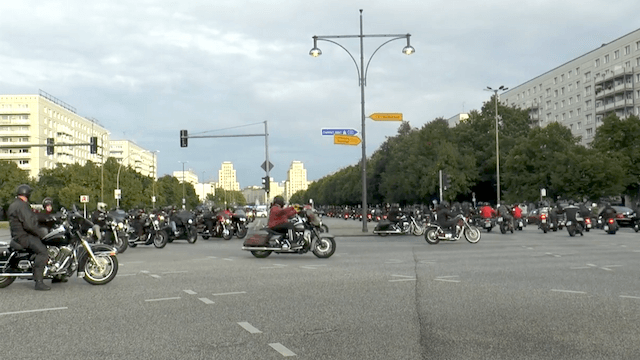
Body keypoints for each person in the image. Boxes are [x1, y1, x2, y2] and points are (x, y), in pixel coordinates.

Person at [7, 184, 51, 291]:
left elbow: (32, 217)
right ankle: (39, 282)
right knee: (43, 252)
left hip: (18, 235)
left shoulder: (16, 204)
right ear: (27, 193)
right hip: (23, 236)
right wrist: (42, 234)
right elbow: (29, 225)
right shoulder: (22, 206)